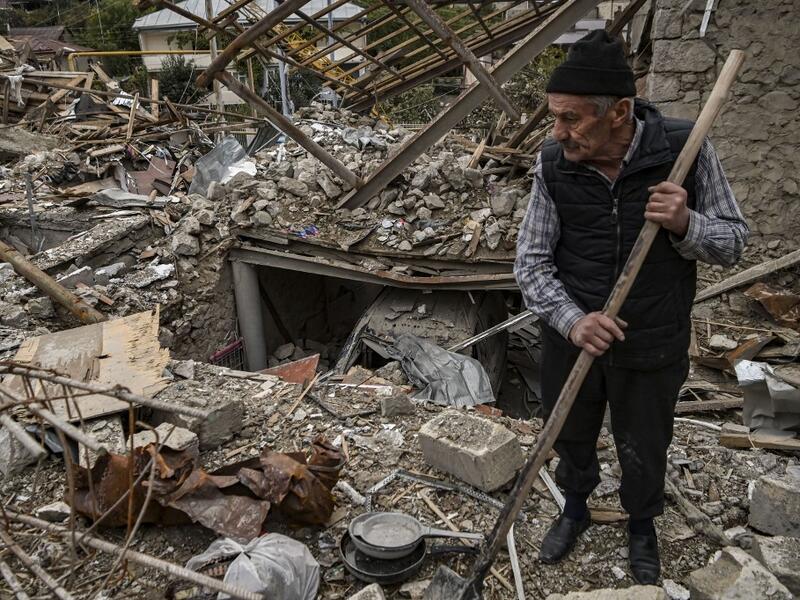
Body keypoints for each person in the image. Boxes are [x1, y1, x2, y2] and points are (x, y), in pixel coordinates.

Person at [514, 30, 749, 584]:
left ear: (619, 111)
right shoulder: (555, 166)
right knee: (569, 432)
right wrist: (574, 322)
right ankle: (574, 507)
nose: (558, 131)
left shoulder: (684, 152)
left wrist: (687, 223)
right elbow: (530, 263)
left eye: (572, 119)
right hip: (573, 339)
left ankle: (642, 524)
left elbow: (735, 242)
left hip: (653, 336)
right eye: (555, 116)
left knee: (645, 441)